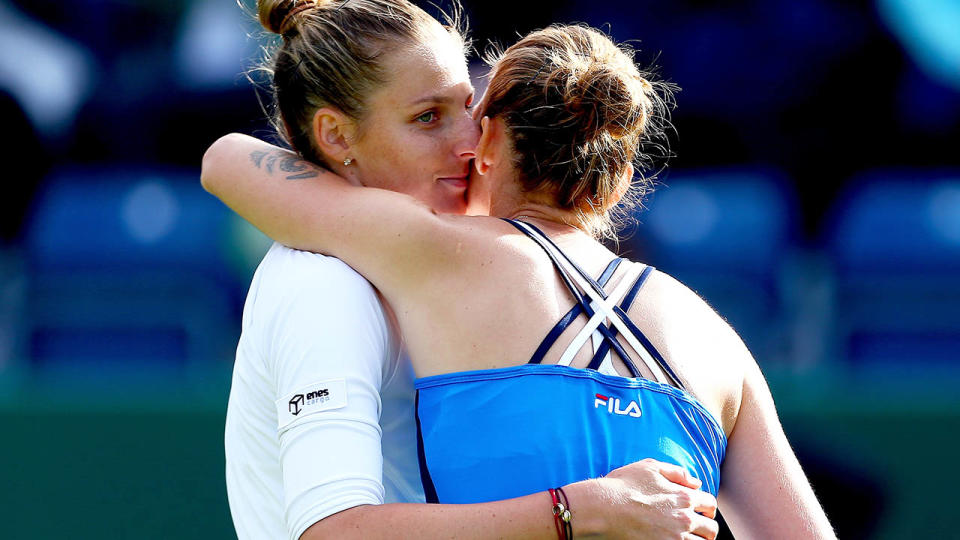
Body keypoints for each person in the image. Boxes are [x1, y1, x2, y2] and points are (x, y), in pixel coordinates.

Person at [204, 14, 836, 540]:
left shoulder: (426, 252)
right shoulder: (717, 341)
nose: (460, 144)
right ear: (620, 177)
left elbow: (227, 160)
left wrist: (575, 512)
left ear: (493, 144)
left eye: (471, 119)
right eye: (432, 117)